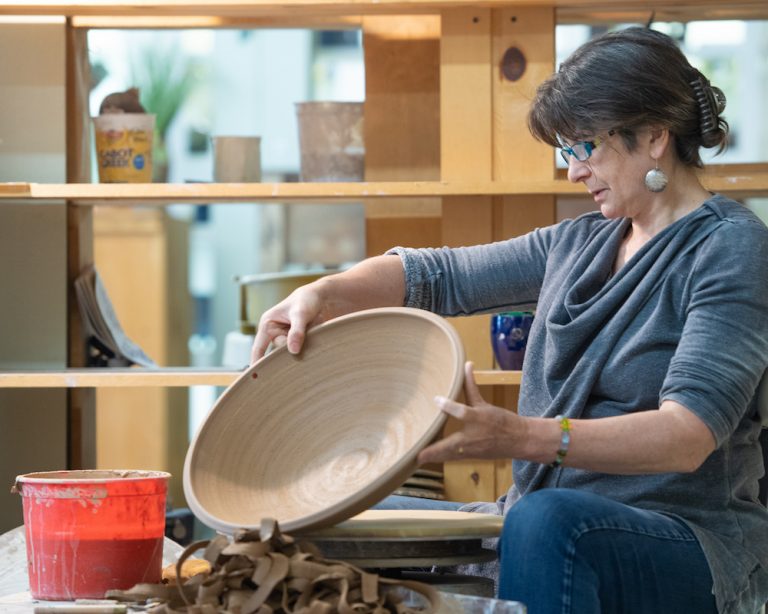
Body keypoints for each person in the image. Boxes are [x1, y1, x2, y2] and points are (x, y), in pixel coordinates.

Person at [251, 26, 768, 613]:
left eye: (584, 148)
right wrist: (323, 292)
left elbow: (686, 436)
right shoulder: (576, 245)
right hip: (528, 523)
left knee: (546, 522)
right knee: (294, 520)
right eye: (567, 151)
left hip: (683, 541)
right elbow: (437, 276)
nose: (573, 171)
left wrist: (520, 437)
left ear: (653, 136)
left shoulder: (730, 247)